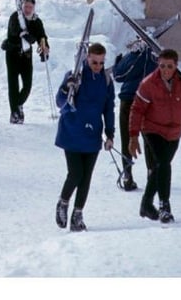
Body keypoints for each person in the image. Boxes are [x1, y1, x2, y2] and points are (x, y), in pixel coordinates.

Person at [128, 48, 181, 224]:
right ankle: (164, 206)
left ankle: (146, 204)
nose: (165, 70)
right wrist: (133, 137)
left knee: (161, 167)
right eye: (162, 66)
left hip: (174, 132)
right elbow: (137, 110)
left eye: (169, 66)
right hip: (152, 129)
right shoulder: (148, 83)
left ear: (176, 66)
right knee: (163, 163)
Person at [54, 42, 115, 232]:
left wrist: (110, 134)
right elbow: (60, 102)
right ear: (87, 58)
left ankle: (77, 214)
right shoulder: (75, 76)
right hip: (72, 131)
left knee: (86, 177)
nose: (98, 66)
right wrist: (67, 89)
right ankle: (63, 202)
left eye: (101, 62)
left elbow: (109, 109)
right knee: (76, 173)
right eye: (94, 62)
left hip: (92, 134)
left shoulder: (106, 80)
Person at [112, 42, 159, 191]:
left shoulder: (133, 56)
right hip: (146, 101)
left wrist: (120, 61)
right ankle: (152, 174)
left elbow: (118, 75)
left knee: (127, 139)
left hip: (128, 99)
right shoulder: (156, 56)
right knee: (149, 139)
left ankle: (127, 176)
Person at [3, 0, 50, 123]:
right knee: (13, 85)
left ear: (34, 8)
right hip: (13, 54)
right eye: (25, 7)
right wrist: (25, 35)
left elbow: (42, 36)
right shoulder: (15, 17)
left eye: (30, 7)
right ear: (21, 6)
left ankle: (18, 105)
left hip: (26, 56)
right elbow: (14, 31)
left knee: (27, 85)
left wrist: (45, 48)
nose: (27, 10)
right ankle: (14, 113)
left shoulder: (36, 21)